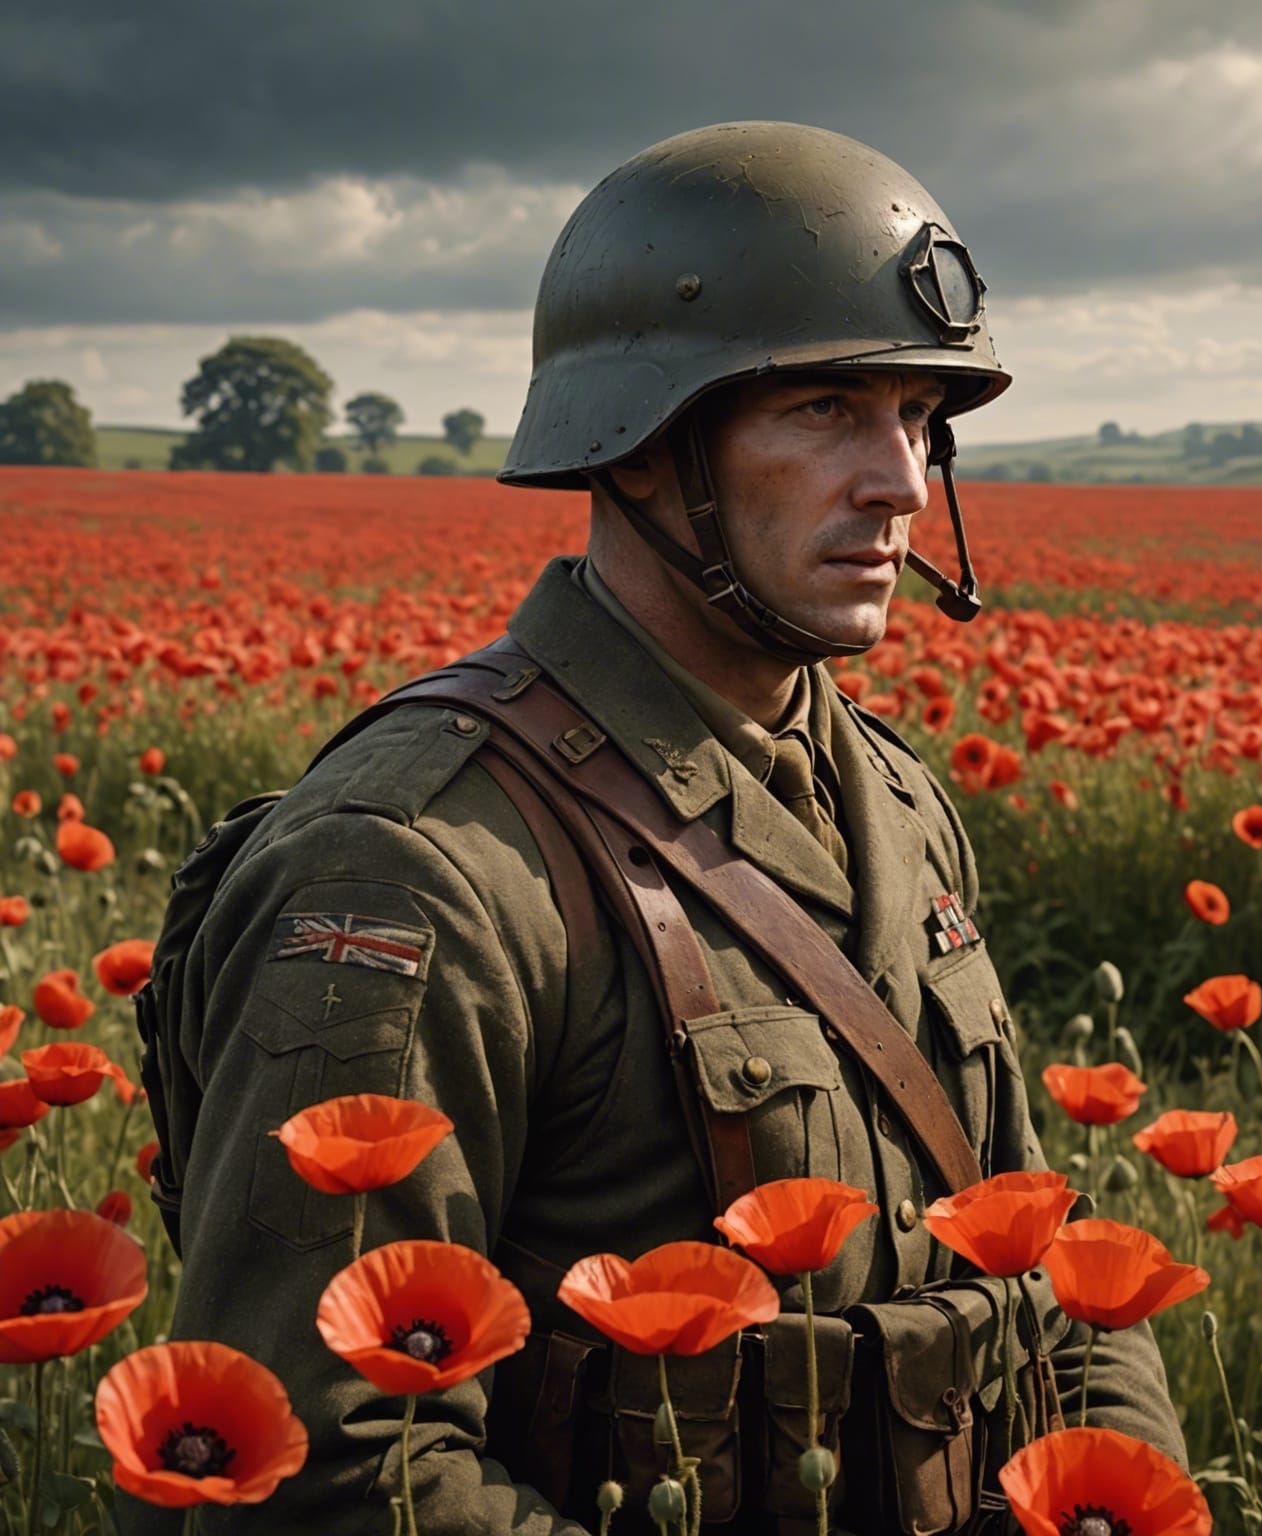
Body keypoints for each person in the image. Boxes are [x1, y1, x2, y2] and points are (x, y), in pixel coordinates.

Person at [128, 121, 1183, 1536]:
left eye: (920, 417)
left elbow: (1042, 1261)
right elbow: (322, 1471)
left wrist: (1125, 1494)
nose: (902, 481)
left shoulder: (899, 804)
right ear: (637, 446)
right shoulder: (420, 865)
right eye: (826, 408)